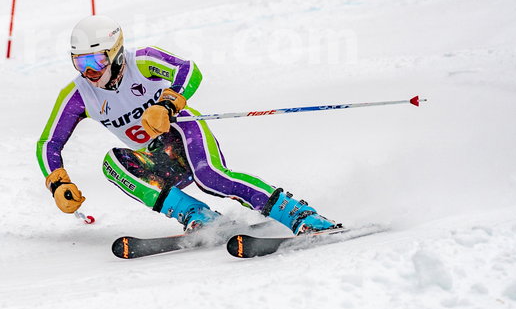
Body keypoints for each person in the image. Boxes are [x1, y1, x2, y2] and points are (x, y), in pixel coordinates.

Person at [36, 15, 340, 234]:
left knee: (211, 177)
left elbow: (189, 71)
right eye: (80, 62)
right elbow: (49, 143)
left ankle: (298, 214)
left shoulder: (141, 61)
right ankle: (197, 215)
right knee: (112, 164)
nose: (89, 71)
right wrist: (58, 182)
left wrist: (166, 104)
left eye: (97, 61)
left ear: (115, 53)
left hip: (182, 132)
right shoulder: (77, 95)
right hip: (156, 160)